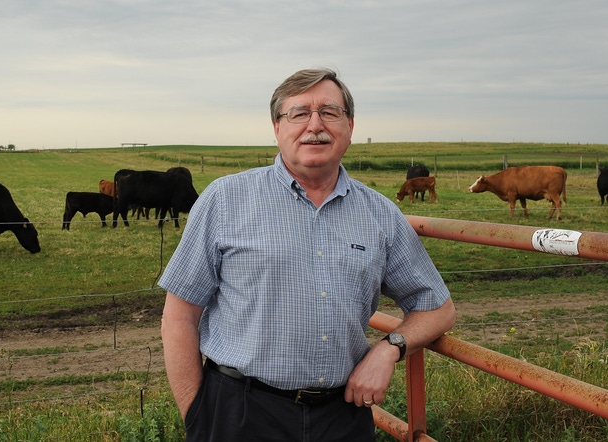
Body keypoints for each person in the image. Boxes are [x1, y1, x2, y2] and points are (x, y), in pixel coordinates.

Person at [160, 68, 455, 441]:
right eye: (299, 113)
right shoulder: (224, 200)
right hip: (242, 412)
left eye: (329, 112)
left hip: (343, 415)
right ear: (276, 127)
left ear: (349, 126)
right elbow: (178, 319)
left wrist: (389, 349)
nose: (315, 125)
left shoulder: (380, 214)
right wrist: (199, 420)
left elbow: (438, 307)